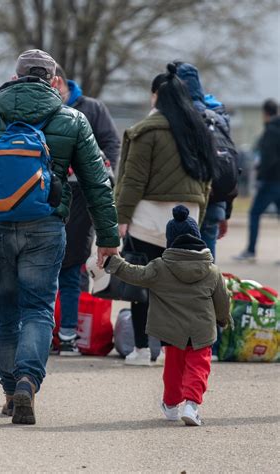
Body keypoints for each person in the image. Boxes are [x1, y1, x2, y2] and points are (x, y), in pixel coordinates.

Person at [0, 49, 119, 424]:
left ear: (15, 76)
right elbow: (97, 183)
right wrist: (108, 236)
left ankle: (9, 390)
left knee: (5, 310)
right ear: (54, 80)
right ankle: (28, 380)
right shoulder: (73, 119)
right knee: (39, 309)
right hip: (47, 226)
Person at [115, 63, 214, 366]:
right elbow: (207, 178)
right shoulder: (199, 129)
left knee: (143, 282)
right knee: (179, 286)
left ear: (156, 97)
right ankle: (177, 350)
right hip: (188, 215)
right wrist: (199, 215)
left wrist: (121, 217)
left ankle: (143, 350)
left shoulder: (145, 131)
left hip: (148, 218)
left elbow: (133, 180)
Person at [104, 205, 231, 426]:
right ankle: (192, 404)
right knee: (198, 367)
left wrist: (113, 263)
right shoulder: (212, 271)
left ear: (170, 241)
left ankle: (171, 405)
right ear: (197, 238)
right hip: (201, 331)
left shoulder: (160, 267)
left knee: (173, 369)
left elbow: (135, 274)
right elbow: (222, 300)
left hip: (171, 332)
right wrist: (222, 319)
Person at [53, 64, 121, 355]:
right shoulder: (48, 107)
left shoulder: (91, 109)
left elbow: (111, 143)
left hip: (80, 195)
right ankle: (62, 333)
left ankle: (68, 332)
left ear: (57, 81)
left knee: (72, 266)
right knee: (59, 268)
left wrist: (109, 177)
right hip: (57, 194)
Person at [175, 62, 237, 260]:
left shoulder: (177, 117)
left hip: (186, 202)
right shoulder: (217, 117)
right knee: (207, 264)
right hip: (215, 202)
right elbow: (230, 163)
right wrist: (225, 212)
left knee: (179, 263)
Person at [235, 99, 280, 262]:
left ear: (265, 113)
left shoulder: (270, 131)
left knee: (254, 213)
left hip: (271, 181)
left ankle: (251, 251)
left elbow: (268, 158)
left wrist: (260, 174)